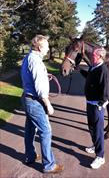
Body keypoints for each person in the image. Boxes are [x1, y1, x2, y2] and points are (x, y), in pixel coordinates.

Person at [21, 35, 64, 174]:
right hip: (35, 101)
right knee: (45, 131)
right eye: (46, 46)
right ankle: (49, 165)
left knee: (30, 129)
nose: (47, 48)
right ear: (39, 47)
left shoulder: (29, 58)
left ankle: (30, 156)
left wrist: (45, 76)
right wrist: (48, 104)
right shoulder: (36, 61)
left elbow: (33, 78)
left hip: (27, 98)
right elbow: (40, 88)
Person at [80, 47, 109, 169]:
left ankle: (100, 156)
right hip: (90, 102)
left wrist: (101, 103)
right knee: (91, 127)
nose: (92, 56)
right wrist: (80, 70)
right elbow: (89, 76)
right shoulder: (94, 67)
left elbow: (106, 89)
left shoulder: (103, 70)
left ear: (100, 56)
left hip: (97, 105)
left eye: (94, 55)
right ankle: (95, 146)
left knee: (98, 130)